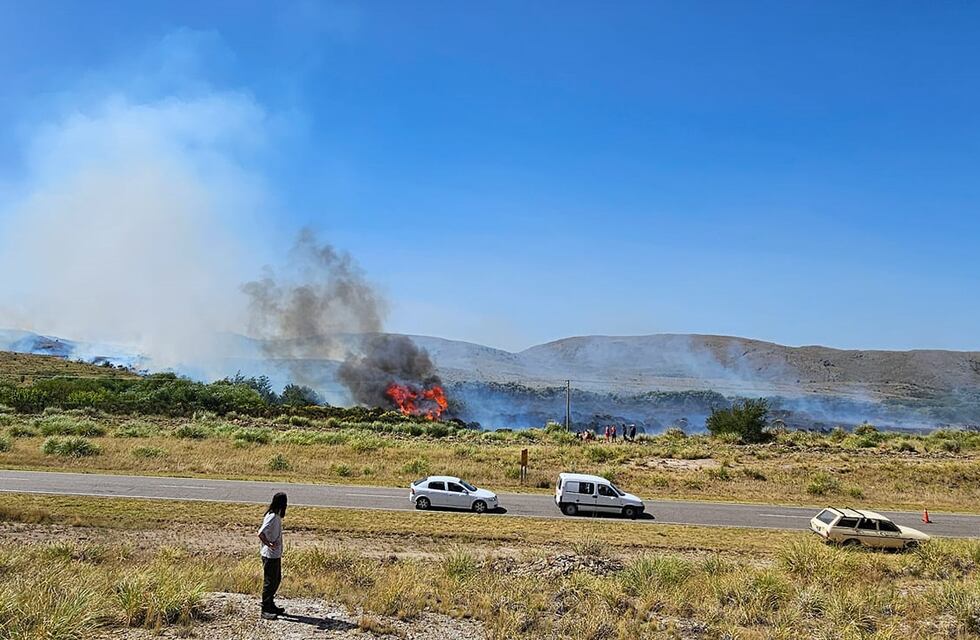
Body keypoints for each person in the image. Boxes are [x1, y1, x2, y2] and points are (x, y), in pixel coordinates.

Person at [258, 492, 287, 620]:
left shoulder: (275, 516)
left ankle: (271, 604)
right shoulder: (272, 517)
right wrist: (269, 544)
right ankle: (265, 608)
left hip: (275, 554)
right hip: (270, 555)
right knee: (270, 582)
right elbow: (260, 533)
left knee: (276, 579)